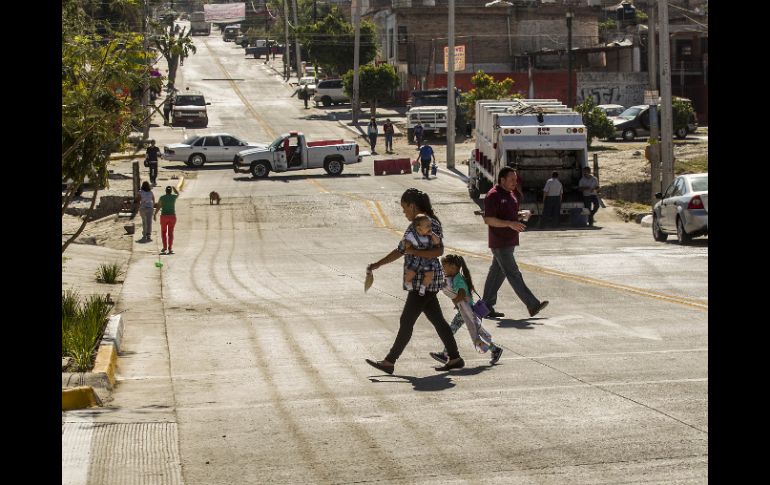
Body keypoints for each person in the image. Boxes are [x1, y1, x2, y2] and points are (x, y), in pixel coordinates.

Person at [365, 188, 464, 374]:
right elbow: (401, 250)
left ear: (412, 206)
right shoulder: (414, 226)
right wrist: (378, 264)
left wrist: (414, 252)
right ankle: (455, 358)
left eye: (404, 208)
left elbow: (439, 251)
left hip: (425, 280)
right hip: (421, 280)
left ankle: (389, 361)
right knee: (438, 320)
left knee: (406, 320)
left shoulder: (429, 223)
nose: (404, 213)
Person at [480, 166, 549, 319]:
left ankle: (485, 307)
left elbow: (508, 215)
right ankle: (532, 304)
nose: (514, 182)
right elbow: (489, 219)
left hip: (509, 241)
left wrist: (520, 215)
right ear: (502, 180)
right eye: (511, 179)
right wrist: (510, 224)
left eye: (515, 179)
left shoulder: (511, 194)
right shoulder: (493, 195)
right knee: (513, 273)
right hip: (500, 242)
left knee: (496, 275)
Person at [431, 254, 503, 365]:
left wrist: (456, 301)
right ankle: (495, 350)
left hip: (467, 311)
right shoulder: (456, 278)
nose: (443, 269)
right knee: (477, 333)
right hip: (466, 311)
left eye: (444, 266)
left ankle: (445, 354)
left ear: (453, 267)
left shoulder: (458, 280)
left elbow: (461, 294)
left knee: (451, 331)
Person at [402, 214, 441, 296]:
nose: (430, 228)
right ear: (419, 228)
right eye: (427, 226)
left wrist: (433, 235)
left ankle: (423, 286)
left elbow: (437, 242)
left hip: (427, 260)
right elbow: (405, 242)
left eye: (430, 225)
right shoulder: (412, 235)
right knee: (411, 273)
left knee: (430, 275)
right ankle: (407, 282)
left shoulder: (430, 236)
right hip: (416, 259)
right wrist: (406, 244)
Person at [154, 186, 179, 254]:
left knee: (163, 232)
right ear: (171, 191)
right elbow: (178, 194)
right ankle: (170, 248)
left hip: (164, 217)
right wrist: (174, 188)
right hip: (172, 217)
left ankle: (165, 247)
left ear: (165, 191)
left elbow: (158, 207)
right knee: (170, 233)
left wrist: (155, 214)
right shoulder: (173, 197)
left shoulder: (162, 197)